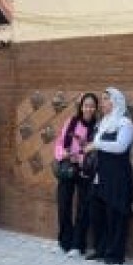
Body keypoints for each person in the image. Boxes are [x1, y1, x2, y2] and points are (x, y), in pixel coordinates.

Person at [84, 87, 133, 265]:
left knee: (116, 215)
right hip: (101, 175)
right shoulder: (103, 123)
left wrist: (96, 144)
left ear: (116, 102)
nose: (102, 102)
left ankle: (114, 254)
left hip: (118, 177)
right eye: (103, 99)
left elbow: (120, 146)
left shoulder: (125, 124)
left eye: (106, 99)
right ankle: (101, 249)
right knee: (97, 213)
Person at [55, 93, 98, 256]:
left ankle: (77, 245)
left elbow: (94, 150)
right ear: (81, 107)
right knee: (63, 205)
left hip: (84, 170)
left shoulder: (97, 127)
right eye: (86, 105)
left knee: (83, 208)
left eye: (92, 106)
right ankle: (64, 242)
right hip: (67, 168)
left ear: (95, 108)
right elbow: (59, 142)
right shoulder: (71, 122)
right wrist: (63, 154)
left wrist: (80, 158)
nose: (89, 109)